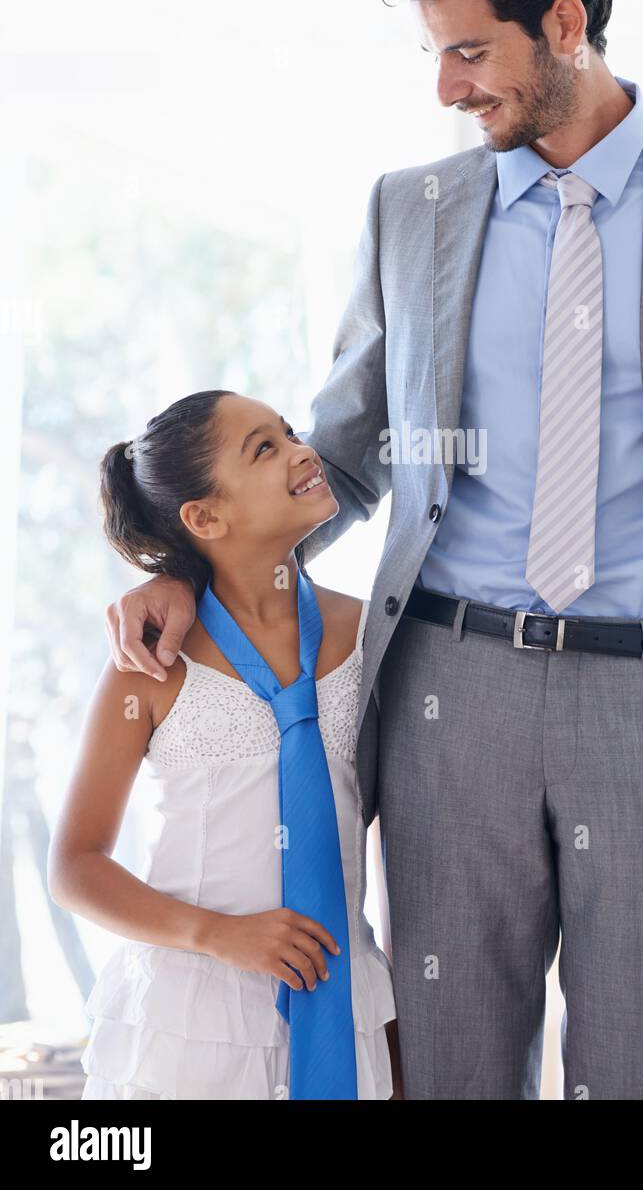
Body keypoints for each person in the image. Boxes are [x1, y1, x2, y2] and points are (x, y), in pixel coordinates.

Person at [102, 0, 643, 1099]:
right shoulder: (416, 211)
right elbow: (338, 457)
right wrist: (192, 578)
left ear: (564, 24)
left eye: (468, 52)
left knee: (641, 1080)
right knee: (448, 1074)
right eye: (437, 57)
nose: (448, 88)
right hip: (455, 694)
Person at [48, 389, 402, 1100]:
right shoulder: (148, 664)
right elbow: (75, 867)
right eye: (263, 449)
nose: (304, 450)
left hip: (343, 1003)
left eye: (288, 432)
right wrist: (221, 935)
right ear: (205, 517)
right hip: (191, 1025)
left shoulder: (374, 636)